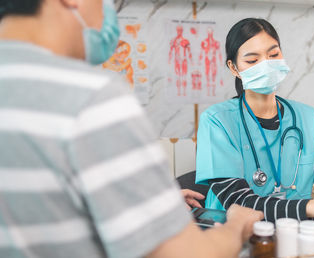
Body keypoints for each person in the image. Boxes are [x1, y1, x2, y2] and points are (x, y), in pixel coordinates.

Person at [0, 1, 263, 257]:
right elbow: (186, 253)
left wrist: (144, 203)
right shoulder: (91, 96)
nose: (106, 11)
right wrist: (238, 223)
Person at [196, 18, 314, 222]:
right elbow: (239, 204)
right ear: (234, 68)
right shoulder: (217, 121)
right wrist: (313, 207)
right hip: (233, 239)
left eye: (273, 55)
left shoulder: (307, 117)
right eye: (252, 60)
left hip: (296, 237)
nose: (266, 65)